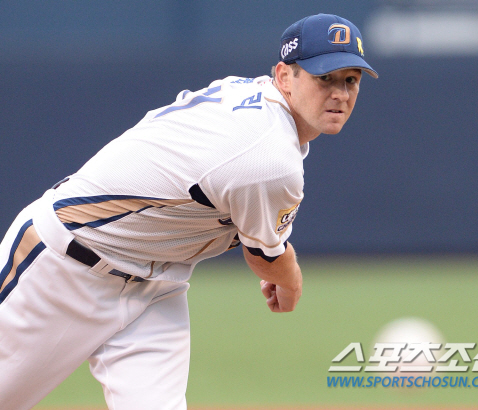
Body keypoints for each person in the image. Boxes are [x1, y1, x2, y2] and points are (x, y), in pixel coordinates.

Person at [0, 13, 378, 410]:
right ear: (284, 76)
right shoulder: (270, 155)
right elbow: (267, 260)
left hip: (156, 286)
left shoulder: (255, 102)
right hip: (63, 267)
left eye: (350, 80)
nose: (340, 94)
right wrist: (291, 283)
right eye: (324, 78)